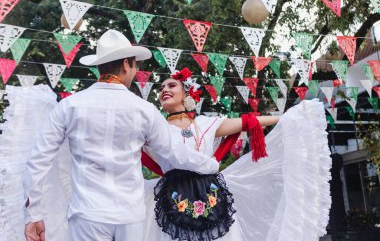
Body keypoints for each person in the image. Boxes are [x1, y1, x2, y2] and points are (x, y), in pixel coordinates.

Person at [23, 30, 220, 241]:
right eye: (135, 65)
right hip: (129, 216)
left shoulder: (70, 105)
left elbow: (38, 159)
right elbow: (175, 152)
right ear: (126, 64)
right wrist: (211, 166)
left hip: (87, 214)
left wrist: (33, 213)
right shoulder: (144, 110)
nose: (135, 71)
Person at [142, 68, 332, 241]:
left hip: (211, 198)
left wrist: (285, 118)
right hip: (171, 199)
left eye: (171, 85)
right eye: (161, 88)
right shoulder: (155, 129)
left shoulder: (204, 124)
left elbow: (247, 121)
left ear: (186, 94)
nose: (164, 90)